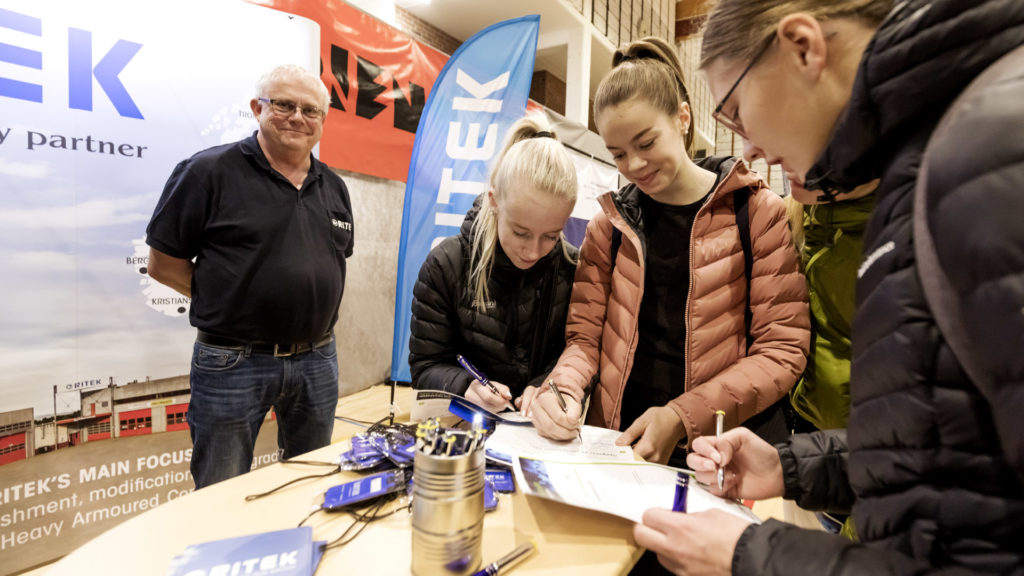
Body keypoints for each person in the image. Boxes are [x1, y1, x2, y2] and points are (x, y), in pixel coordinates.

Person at [633, 0, 1024, 573]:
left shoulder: (987, 151)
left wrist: (754, 557)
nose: (750, 149)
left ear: (803, 46)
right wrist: (793, 468)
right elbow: (950, 447)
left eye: (739, 112)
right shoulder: (931, 155)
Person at [524, 36, 810, 466]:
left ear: (682, 118)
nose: (635, 165)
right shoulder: (609, 226)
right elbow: (584, 339)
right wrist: (561, 388)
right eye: (617, 154)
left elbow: (782, 350)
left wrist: (682, 416)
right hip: (621, 446)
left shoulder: (756, 212)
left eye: (645, 143)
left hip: (722, 453)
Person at [145, 64, 354, 489]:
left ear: (323, 121)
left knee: (310, 481)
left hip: (317, 359)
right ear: (257, 108)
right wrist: (233, 300)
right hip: (232, 362)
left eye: (310, 110)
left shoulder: (333, 187)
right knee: (220, 488)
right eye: (283, 105)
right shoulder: (208, 172)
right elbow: (162, 264)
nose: (297, 117)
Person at [408, 114, 578, 413]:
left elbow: (576, 352)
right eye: (521, 232)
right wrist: (466, 386)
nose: (533, 251)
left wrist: (546, 383)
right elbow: (426, 366)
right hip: (465, 429)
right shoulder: (446, 265)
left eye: (551, 236)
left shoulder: (572, 267)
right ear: (494, 201)